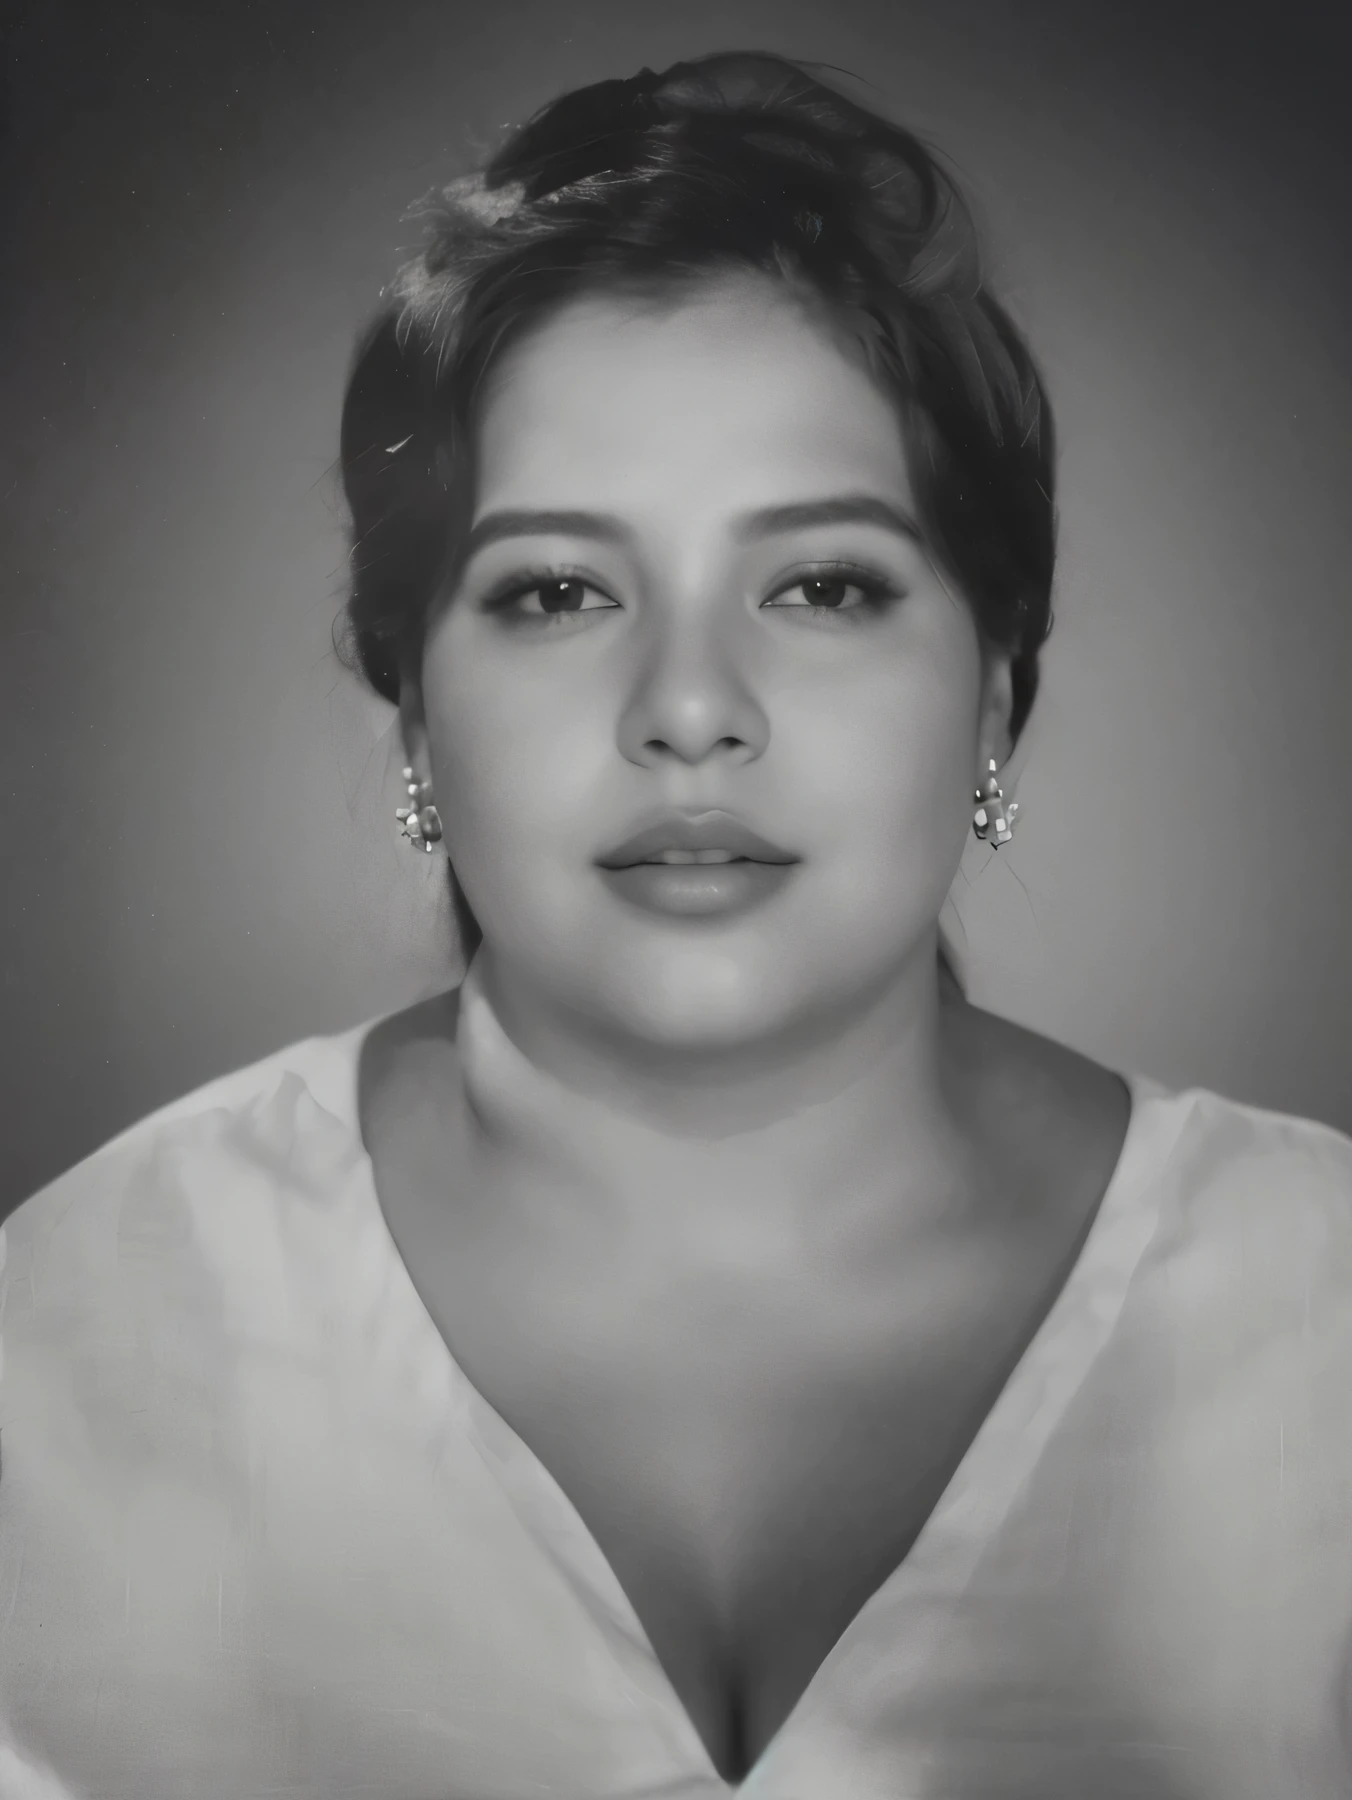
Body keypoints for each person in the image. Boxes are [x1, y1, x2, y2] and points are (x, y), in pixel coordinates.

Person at [2, 50, 1350, 1800]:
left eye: (824, 584)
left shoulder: (1322, 1320)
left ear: (996, 698)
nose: (691, 707)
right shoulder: (62, 1352)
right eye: (559, 591)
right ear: (416, 709)